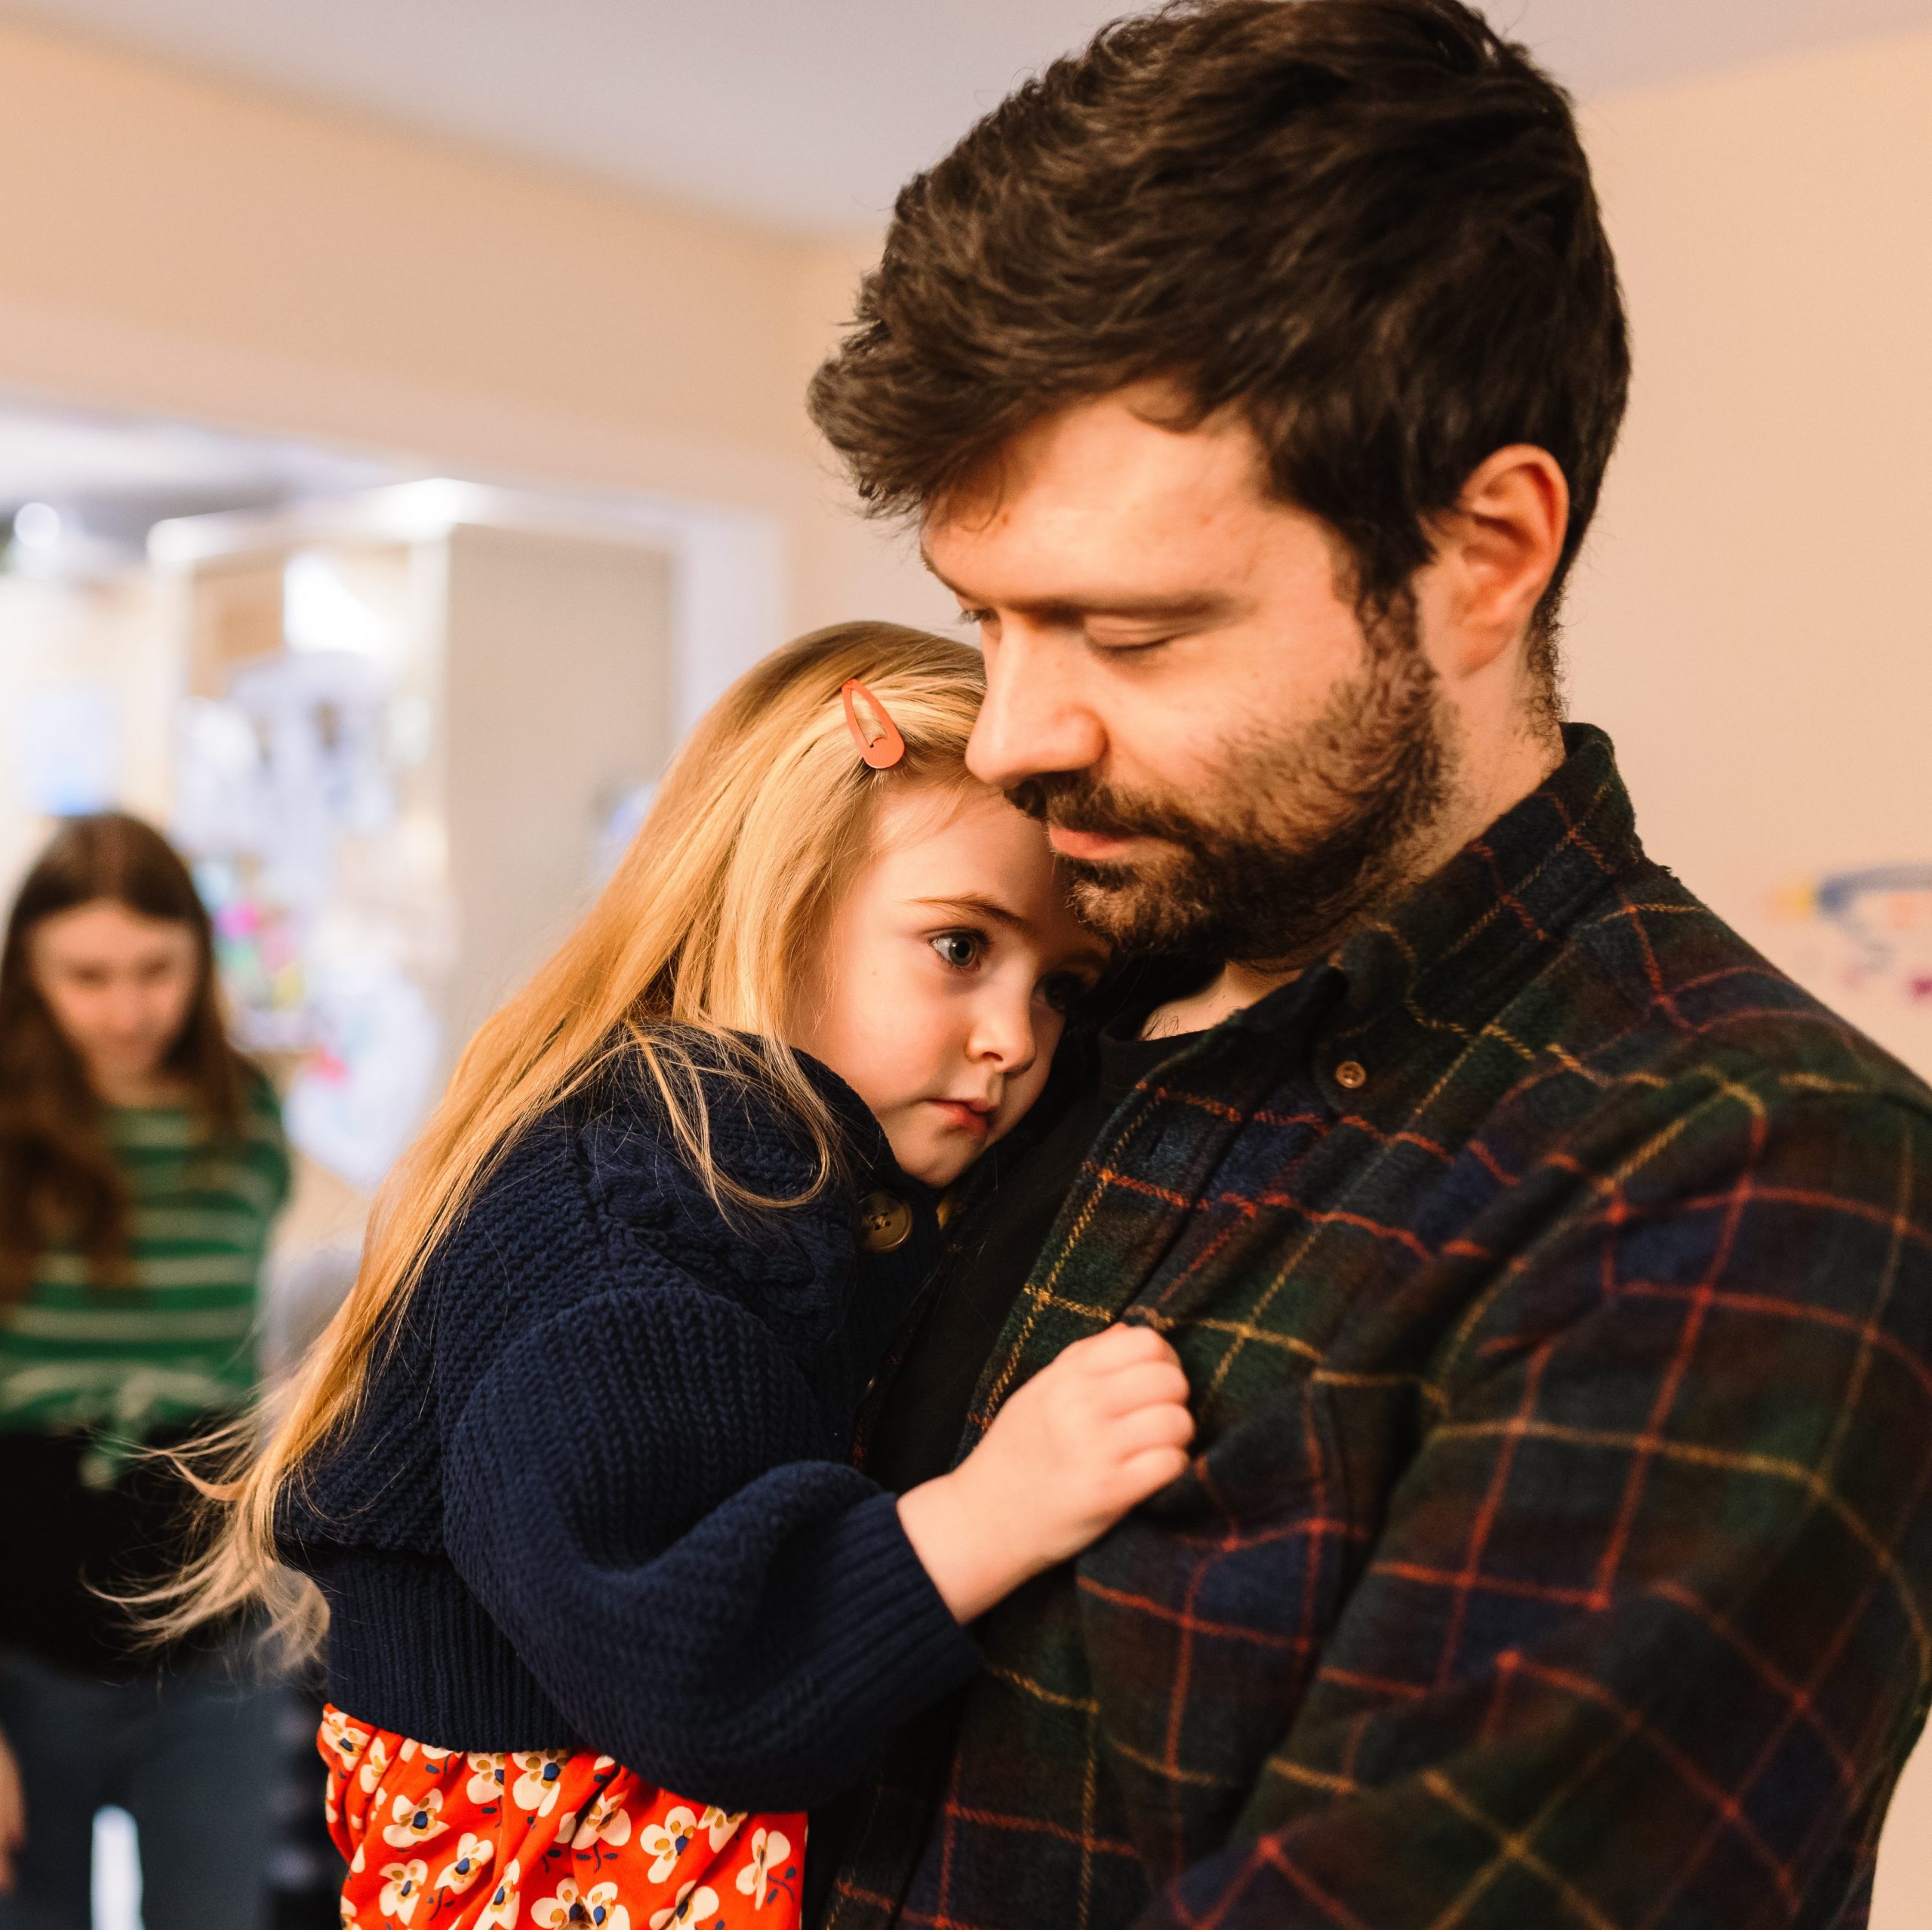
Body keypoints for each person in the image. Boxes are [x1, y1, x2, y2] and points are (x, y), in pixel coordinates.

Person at [801, 5, 1932, 1927]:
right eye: (983, 619)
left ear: (1483, 553)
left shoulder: (1755, 1176)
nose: (1008, 733)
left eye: (1128, 634)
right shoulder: (1040, 1009)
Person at [162, 623, 1194, 1930]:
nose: (1012, 1037)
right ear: (774, 891)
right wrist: (1002, 1506)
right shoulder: (630, 1223)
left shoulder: (755, 1167)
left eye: (1059, 988)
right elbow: (696, 1670)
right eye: (958, 947)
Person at [0, 813, 291, 1930]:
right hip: (25, 1650)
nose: (126, 1008)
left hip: (216, 1645)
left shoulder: (250, 1114)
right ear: (30, 967)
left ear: (200, 957)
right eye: (86, 975)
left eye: (155, 969)